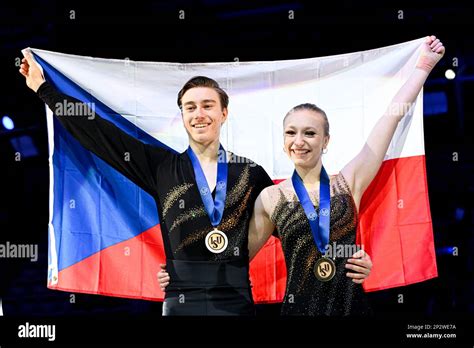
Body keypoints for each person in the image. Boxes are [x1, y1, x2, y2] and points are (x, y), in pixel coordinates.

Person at [19, 52, 373, 316]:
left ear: (224, 113)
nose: (198, 113)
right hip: (180, 299)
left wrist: (348, 256)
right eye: (190, 107)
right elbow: (100, 135)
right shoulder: (160, 167)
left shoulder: (250, 174)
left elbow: (303, 227)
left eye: (207, 105)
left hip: (236, 301)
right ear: (182, 116)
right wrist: (44, 89)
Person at [245, 35, 444, 315]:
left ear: (326, 141)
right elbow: (236, 260)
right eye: (291, 132)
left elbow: (390, 118)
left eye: (310, 133)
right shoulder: (271, 197)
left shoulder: (347, 183)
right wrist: (180, 274)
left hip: (352, 309)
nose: (299, 141)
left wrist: (424, 65)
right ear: (283, 140)